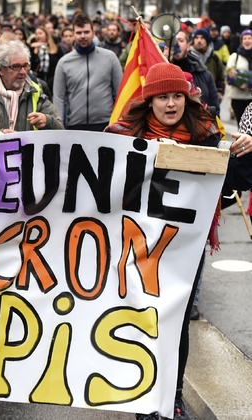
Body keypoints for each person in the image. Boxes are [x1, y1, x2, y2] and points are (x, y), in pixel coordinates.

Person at [105, 62, 252, 420]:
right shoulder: (122, 136)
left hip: (185, 248)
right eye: (163, 97)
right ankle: (142, 397)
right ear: (150, 100)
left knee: (176, 321)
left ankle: (172, 396)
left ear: (186, 99)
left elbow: (236, 181)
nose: (171, 104)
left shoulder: (206, 136)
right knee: (142, 318)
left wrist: (248, 152)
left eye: (177, 96)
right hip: (135, 248)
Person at [53, 14, 122, 131]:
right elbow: (59, 98)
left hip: (106, 124)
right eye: (79, 33)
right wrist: (59, 127)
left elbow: (120, 91)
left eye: (86, 32)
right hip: (75, 125)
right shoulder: (64, 62)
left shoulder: (110, 58)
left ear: (93, 33)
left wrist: (119, 122)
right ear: (73, 34)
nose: (83, 36)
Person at [0, 40, 63, 133]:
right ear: (0, 69)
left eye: (25, 66)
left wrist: (47, 121)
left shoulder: (36, 92)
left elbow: (60, 129)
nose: (23, 72)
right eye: (16, 67)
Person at [171, 30, 221, 116]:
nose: (177, 44)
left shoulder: (205, 75)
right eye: (174, 41)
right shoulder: (162, 74)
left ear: (188, 46)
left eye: (180, 40)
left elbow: (214, 109)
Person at [226, 29, 252, 125]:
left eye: (249, 38)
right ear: (241, 41)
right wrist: (238, 83)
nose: (247, 40)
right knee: (241, 126)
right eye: (244, 38)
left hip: (251, 97)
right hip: (238, 98)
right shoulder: (235, 56)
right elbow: (228, 74)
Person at [28, 25, 63, 93]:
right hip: (37, 81)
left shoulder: (56, 48)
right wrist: (31, 47)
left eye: (40, 33)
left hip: (52, 81)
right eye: (36, 34)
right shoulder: (32, 48)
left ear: (46, 35)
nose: (38, 36)